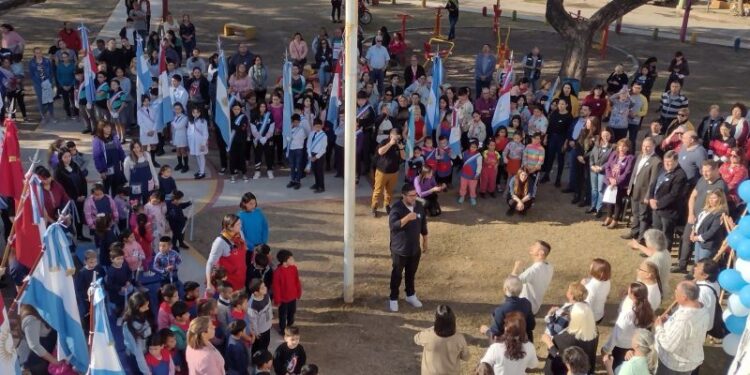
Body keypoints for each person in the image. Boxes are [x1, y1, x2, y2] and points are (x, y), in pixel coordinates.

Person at [654, 281, 710, 375]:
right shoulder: (702, 308)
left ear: (684, 297)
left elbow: (669, 345)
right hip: (690, 358)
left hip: (676, 365)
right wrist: (669, 319)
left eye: (676, 292)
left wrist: (658, 327)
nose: (674, 293)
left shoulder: (684, 320)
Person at [388, 183, 429, 312]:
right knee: (397, 274)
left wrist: (425, 241)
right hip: (400, 249)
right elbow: (393, 226)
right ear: (403, 195)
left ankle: (410, 295)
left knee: (411, 273)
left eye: (415, 195)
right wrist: (407, 218)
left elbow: (423, 224)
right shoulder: (396, 207)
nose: (413, 198)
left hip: (414, 248)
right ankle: (393, 298)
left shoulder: (419, 207)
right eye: (411, 196)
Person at [601, 282, 655, 370]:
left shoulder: (627, 315)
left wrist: (606, 349)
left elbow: (616, 335)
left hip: (622, 349)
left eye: (629, 289)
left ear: (633, 295)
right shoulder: (647, 309)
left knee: (619, 369)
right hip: (637, 348)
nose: (627, 289)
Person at [542, 303, 599, 375]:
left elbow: (559, 357)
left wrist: (549, 343)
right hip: (585, 368)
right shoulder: (595, 332)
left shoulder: (564, 338)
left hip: (564, 371)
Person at [622, 137, 661, 241]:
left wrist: (648, 196)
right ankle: (634, 231)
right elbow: (634, 174)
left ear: (654, 146)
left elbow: (653, 182)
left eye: (648, 146)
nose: (645, 148)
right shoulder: (639, 156)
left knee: (643, 216)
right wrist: (630, 186)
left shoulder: (656, 161)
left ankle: (641, 237)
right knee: (635, 212)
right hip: (635, 189)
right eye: (644, 146)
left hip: (644, 193)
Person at [648, 150, 688, 251]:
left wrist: (658, 204)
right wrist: (651, 198)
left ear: (676, 161)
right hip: (656, 208)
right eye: (665, 161)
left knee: (666, 235)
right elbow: (654, 184)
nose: (667, 164)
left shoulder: (680, 175)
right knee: (656, 232)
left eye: (670, 162)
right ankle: (655, 252)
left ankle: (664, 255)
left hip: (669, 211)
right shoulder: (662, 168)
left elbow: (674, 195)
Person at [414, 305, 469, 375]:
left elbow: (416, 338)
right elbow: (466, 357)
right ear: (453, 321)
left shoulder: (428, 335)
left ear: (436, 320)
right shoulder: (459, 338)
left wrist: (432, 328)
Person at [479, 276, 535, 340]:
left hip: (508, 345)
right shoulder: (526, 303)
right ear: (521, 290)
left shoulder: (500, 310)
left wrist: (486, 331)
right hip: (525, 341)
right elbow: (531, 325)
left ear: (505, 289)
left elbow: (495, 334)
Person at [54, 148, 89, 241]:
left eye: (69, 156)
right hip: (69, 200)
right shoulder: (58, 171)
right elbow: (61, 188)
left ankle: (80, 234)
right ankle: (70, 238)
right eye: (65, 157)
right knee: (69, 218)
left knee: (80, 216)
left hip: (80, 197)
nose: (68, 159)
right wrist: (74, 197)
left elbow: (83, 181)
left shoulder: (75, 166)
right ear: (61, 158)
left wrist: (84, 194)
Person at [206, 214, 247, 292]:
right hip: (228, 285)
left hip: (241, 279)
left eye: (240, 223)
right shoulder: (220, 242)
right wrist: (209, 284)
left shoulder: (240, 233)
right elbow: (210, 263)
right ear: (230, 227)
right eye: (238, 224)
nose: (241, 226)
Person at [511, 240, 553, 315]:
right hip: (534, 307)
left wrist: (515, 268)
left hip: (522, 308)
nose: (531, 247)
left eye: (535, 246)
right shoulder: (549, 266)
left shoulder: (533, 270)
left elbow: (512, 283)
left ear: (541, 253)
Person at [601, 138, 634, 229]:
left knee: (617, 202)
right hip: (610, 182)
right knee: (609, 200)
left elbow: (627, 172)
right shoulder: (614, 154)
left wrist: (616, 181)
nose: (621, 148)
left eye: (624, 146)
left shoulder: (630, 158)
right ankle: (609, 217)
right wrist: (610, 178)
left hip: (621, 184)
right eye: (620, 146)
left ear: (628, 148)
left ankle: (615, 220)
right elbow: (607, 167)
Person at [372, 128, 406, 217]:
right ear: (391, 136)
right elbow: (380, 152)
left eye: (399, 138)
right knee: (378, 191)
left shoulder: (399, 144)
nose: (398, 140)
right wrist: (390, 143)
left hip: (394, 172)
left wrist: (401, 148)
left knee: (389, 191)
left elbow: (404, 157)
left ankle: (387, 205)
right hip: (382, 172)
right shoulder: (384, 141)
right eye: (396, 138)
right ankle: (374, 207)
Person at [691, 189, 729, 263]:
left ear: (720, 199)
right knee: (697, 263)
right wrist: (693, 232)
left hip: (708, 244)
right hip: (698, 241)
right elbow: (697, 222)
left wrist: (698, 238)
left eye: (714, 198)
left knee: (703, 265)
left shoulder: (720, 213)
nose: (711, 200)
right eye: (710, 198)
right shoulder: (704, 210)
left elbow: (713, 230)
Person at [19, 304, 58, 374]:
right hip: (39, 361)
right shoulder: (31, 318)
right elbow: (34, 345)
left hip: (47, 356)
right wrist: (54, 361)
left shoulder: (41, 308)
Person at [630, 229, 671, 294]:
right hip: (662, 288)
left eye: (646, 240)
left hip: (649, 292)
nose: (645, 242)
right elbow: (652, 252)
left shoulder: (651, 262)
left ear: (651, 243)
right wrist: (638, 246)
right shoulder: (665, 252)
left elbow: (643, 279)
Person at [273, 249, 302, 334]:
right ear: (285, 262)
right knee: (282, 316)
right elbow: (276, 287)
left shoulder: (294, 269)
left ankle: (290, 326)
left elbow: (297, 281)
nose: (293, 260)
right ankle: (282, 329)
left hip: (293, 297)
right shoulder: (277, 272)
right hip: (283, 300)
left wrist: (298, 292)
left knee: (292, 313)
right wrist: (277, 300)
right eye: (291, 259)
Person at [587, 129, 613, 217]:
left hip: (603, 171)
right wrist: (592, 166)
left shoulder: (612, 147)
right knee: (593, 189)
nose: (605, 137)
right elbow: (591, 157)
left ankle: (599, 209)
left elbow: (610, 161)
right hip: (593, 170)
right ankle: (593, 206)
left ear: (610, 136)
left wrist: (601, 167)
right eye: (604, 135)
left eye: (607, 135)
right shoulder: (597, 145)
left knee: (600, 190)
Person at [306, 119, 327, 193]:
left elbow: (323, 149)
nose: (317, 128)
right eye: (316, 126)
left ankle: (321, 187)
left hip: (319, 155)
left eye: (319, 126)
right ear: (313, 126)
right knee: (315, 171)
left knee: (319, 171)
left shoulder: (323, 135)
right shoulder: (311, 133)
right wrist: (309, 154)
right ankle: (317, 184)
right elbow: (308, 144)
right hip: (312, 154)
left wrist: (316, 157)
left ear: (322, 126)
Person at [187, 107, 209, 180]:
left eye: (197, 112)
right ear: (192, 113)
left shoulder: (203, 121)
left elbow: (205, 133)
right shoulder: (191, 121)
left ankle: (202, 172)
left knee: (201, 156)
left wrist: (203, 143)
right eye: (194, 112)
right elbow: (189, 132)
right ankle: (200, 170)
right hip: (193, 142)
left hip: (200, 142)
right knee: (197, 156)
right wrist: (190, 142)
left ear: (200, 113)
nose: (195, 114)